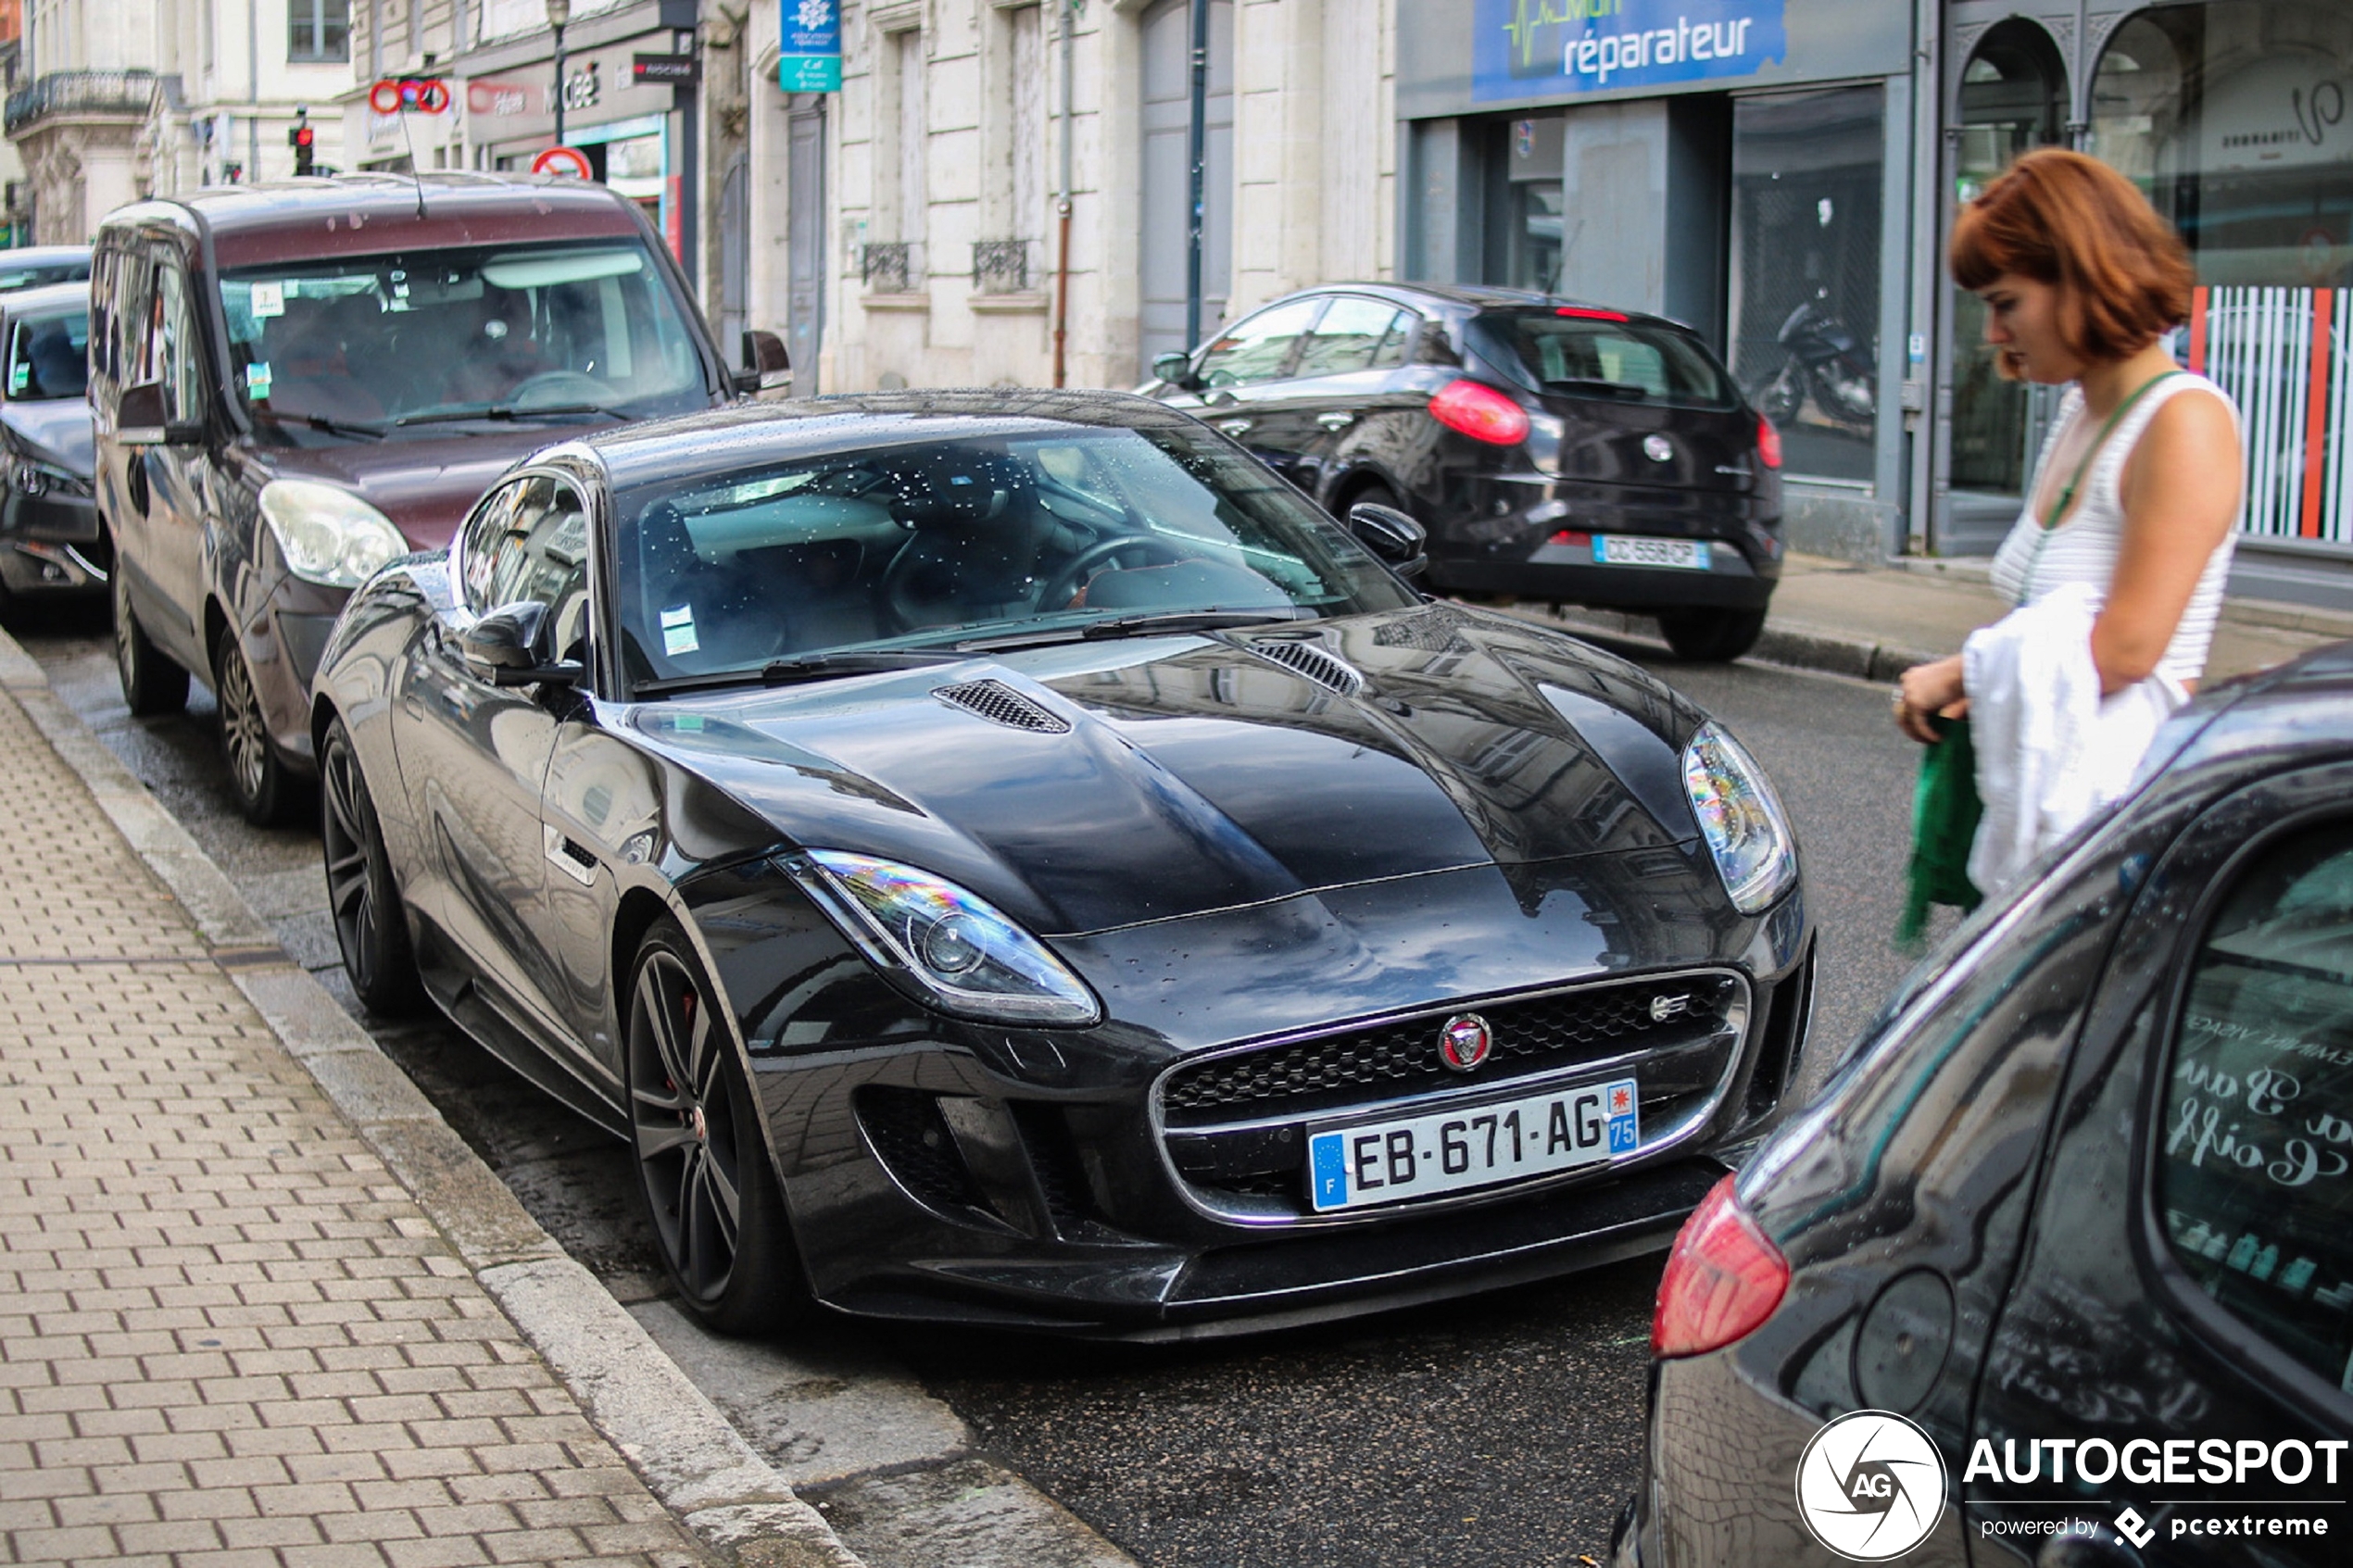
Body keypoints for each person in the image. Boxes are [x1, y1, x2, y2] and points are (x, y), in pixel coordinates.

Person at [1894, 148, 2242, 898]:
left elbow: (2125, 646)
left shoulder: (2183, 423)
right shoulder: (2080, 413)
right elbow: (2051, 624)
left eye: (2006, 301)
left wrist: (1954, 674)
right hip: (2060, 821)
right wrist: (1984, 688)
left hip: (2119, 838)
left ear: (2081, 279)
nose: (1992, 333)